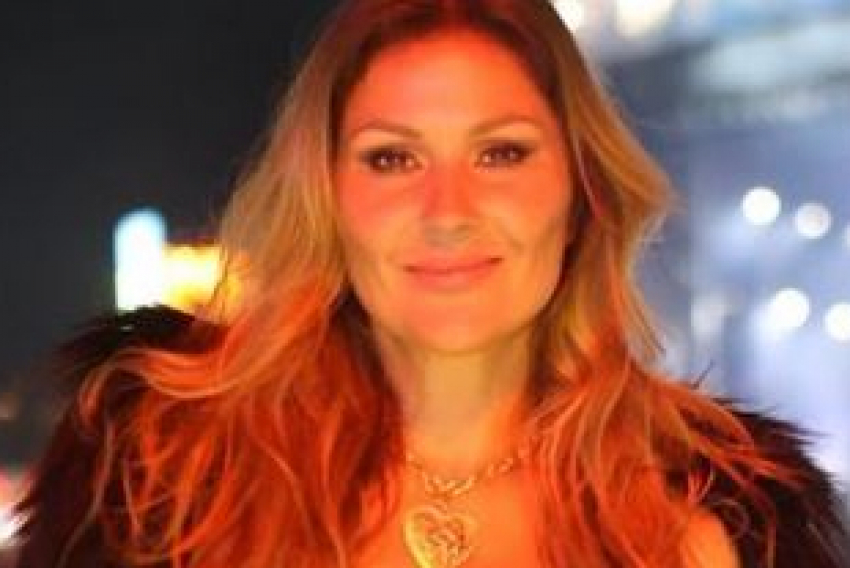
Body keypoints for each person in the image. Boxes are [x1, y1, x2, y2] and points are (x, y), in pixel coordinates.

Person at [11, 0, 849, 567]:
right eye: (392, 158)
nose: (447, 212)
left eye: (501, 153)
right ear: (327, 200)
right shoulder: (164, 487)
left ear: (582, 194)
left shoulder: (708, 526)